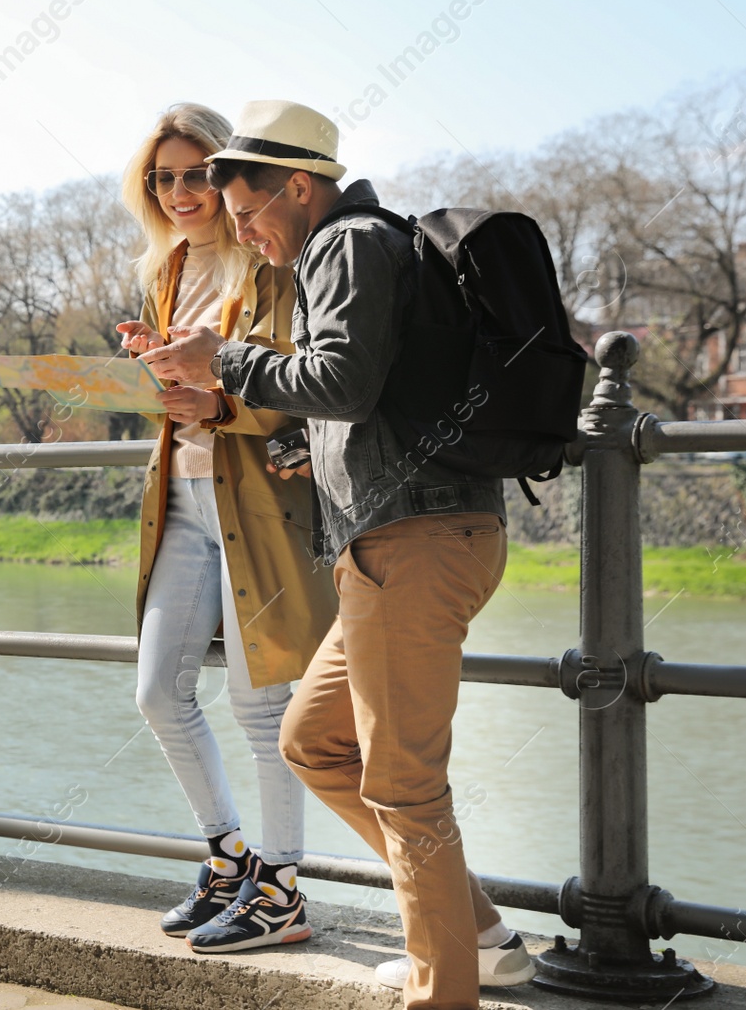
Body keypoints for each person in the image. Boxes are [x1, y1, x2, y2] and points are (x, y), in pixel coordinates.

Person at [139, 100, 535, 1007]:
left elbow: (341, 382)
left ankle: (446, 989)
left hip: (418, 540)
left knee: (402, 780)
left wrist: (224, 360)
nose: (244, 231)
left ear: (299, 186)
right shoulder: (354, 247)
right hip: (385, 541)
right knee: (315, 741)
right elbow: (359, 398)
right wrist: (285, 440)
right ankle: (482, 939)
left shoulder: (346, 243)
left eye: (250, 213)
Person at [115, 103, 337, 954]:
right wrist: (150, 361)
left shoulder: (274, 264)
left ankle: (282, 888)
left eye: (197, 172)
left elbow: (297, 386)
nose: (180, 191)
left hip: (257, 508)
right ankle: (228, 857)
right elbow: (187, 384)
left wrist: (217, 402)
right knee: (157, 691)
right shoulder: (164, 271)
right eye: (163, 177)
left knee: (261, 704)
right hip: (179, 500)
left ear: (228, 172)